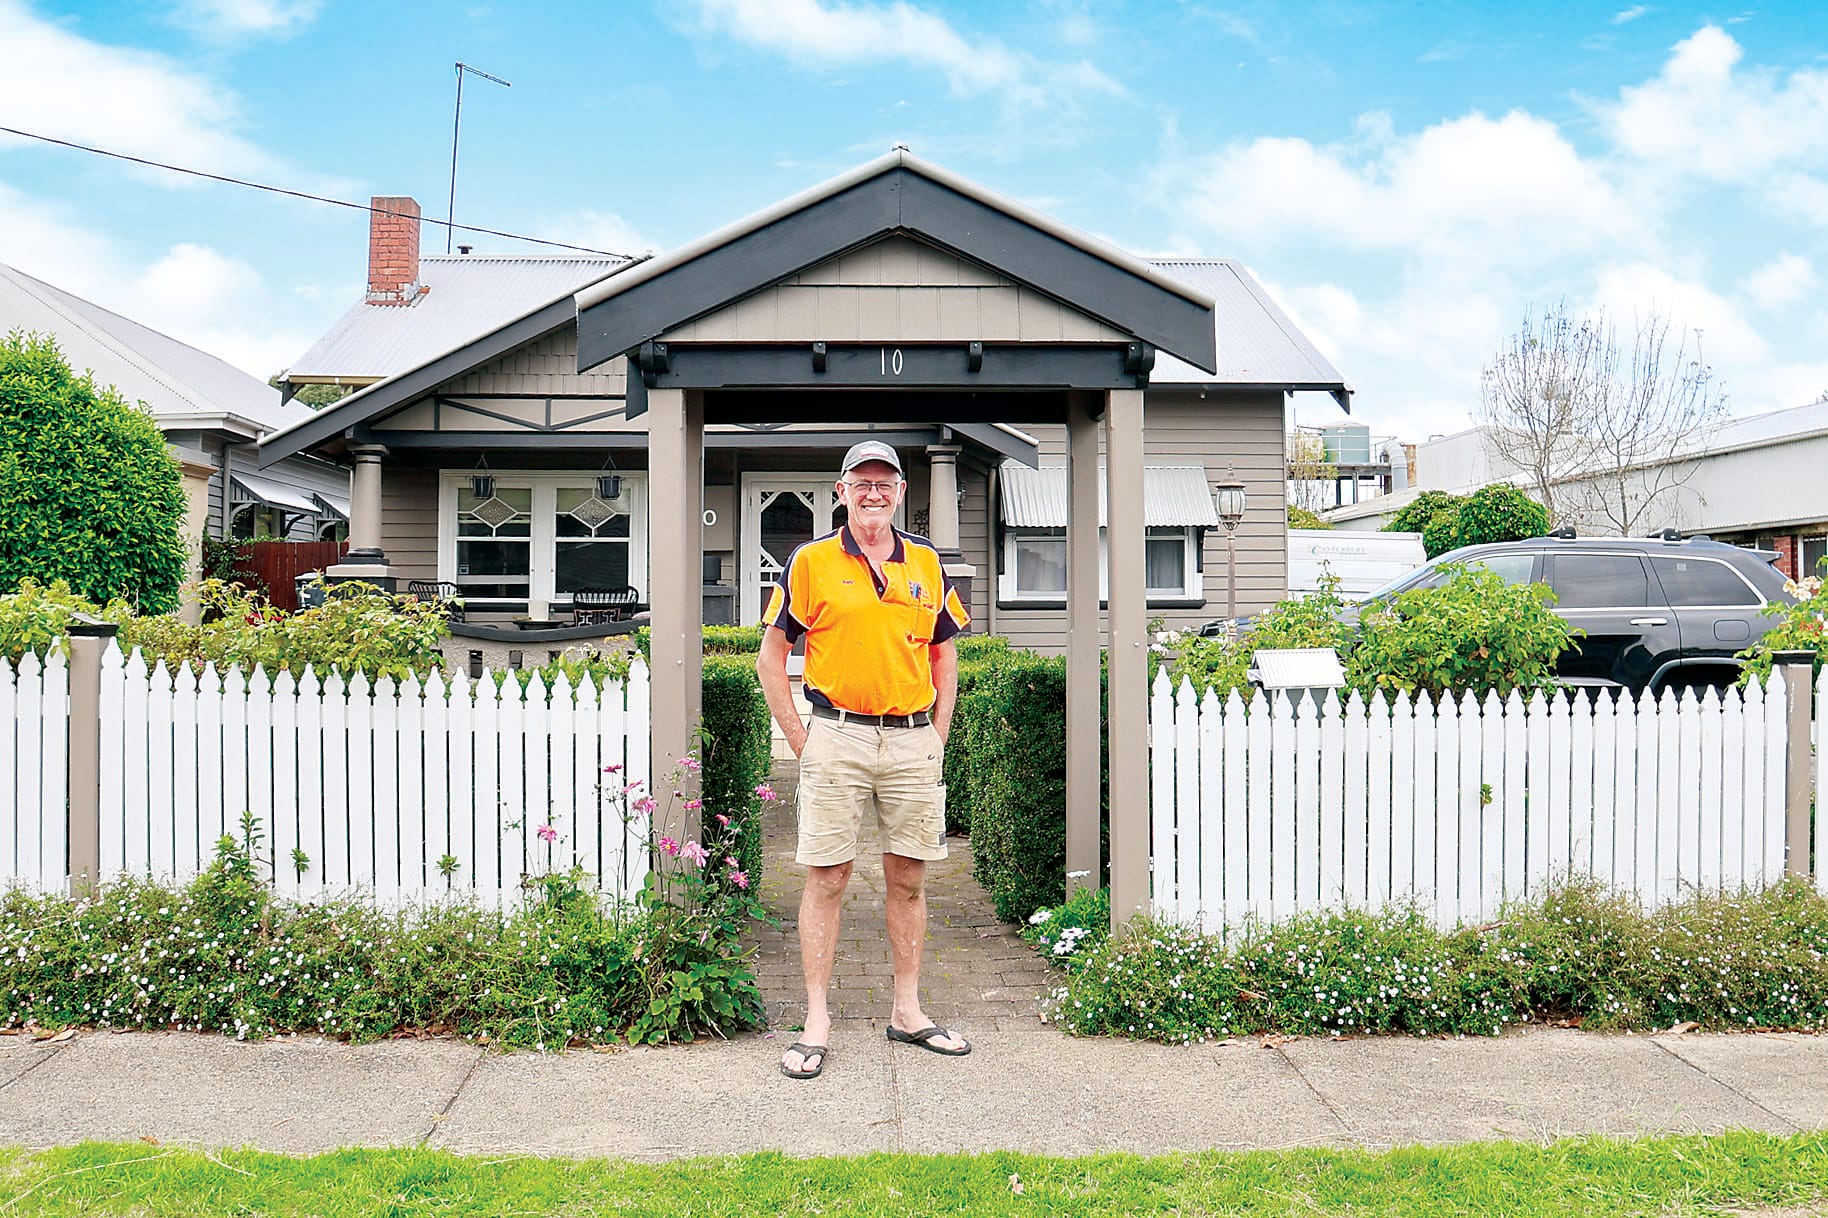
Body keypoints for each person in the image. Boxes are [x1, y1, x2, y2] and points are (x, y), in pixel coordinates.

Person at [757, 440, 973, 1080]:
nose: (873, 493)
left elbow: (945, 653)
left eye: (885, 482)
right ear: (840, 491)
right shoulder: (810, 562)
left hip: (911, 740)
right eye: (861, 482)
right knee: (827, 877)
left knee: (909, 877)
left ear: (902, 491)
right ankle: (817, 1020)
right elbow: (771, 659)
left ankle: (908, 1010)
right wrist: (802, 739)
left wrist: (937, 735)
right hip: (837, 737)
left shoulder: (928, 564)